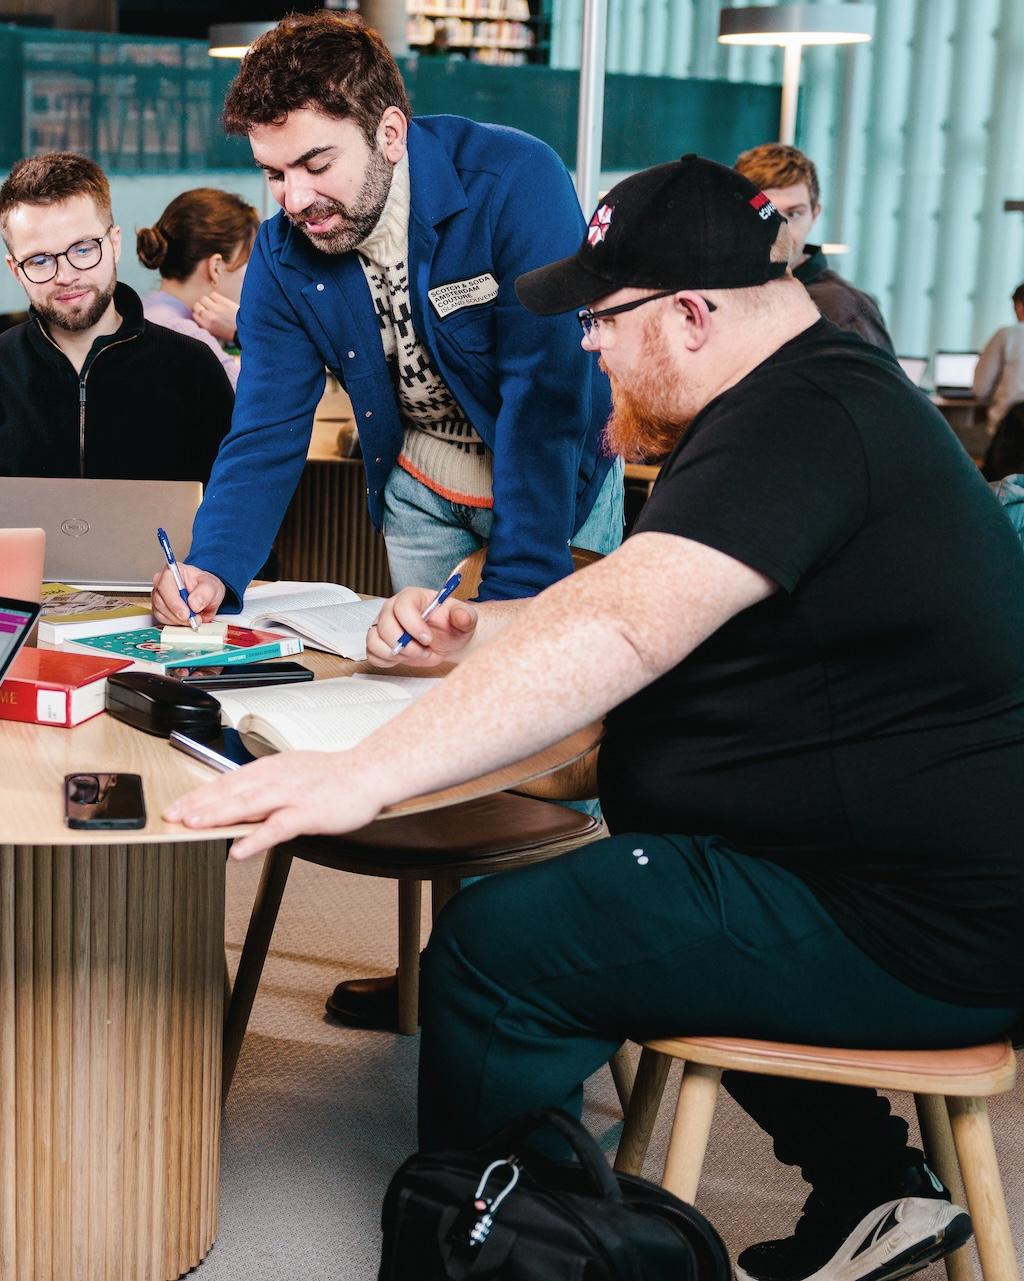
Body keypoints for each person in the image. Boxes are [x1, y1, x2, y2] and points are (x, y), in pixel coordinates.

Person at [166, 154, 1024, 1281]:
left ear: (694, 313)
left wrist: (359, 774)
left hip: (913, 927)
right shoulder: (802, 396)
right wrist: (491, 629)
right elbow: (650, 597)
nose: (589, 344)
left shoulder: (802, 422)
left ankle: (518, 1247)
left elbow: (620, 630)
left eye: (608, 320)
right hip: (870, 875)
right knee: (647, 891)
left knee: (498, 950)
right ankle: (872, 1188)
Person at [149, 12, 620, 628]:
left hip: (555, 482)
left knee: (558, 676)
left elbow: (547, 398)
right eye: (274, 174)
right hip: (419, 489)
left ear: (390, 134)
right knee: (426, 678)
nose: (294, 200)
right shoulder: (279, 253)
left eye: (317, 166)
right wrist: (213, 566)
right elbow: (266, 427)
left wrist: (516, 595)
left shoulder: (514, 180)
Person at [0, 152, 235, 528]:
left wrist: (210, 582)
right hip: (15, 588)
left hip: (162, 587)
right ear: (14, 270)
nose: (65, 275)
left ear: (114, 243)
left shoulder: (192, 366)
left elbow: (236, 514)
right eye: (39, 260)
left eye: (83, 249)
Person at [734, 142, 894, 353]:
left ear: (814, 215)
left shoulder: (844, 312)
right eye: (766, 213)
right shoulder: (723, 296)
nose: (781, 229)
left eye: (794, 214)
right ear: (735, 214)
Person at [136, 187, 260, 387]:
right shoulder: (188, 337)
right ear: (216, 267)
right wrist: (244, 331)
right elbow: (266, 406)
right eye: (248, 263)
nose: (255, 276)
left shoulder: (140, 310)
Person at [972, 281, 1024, 449]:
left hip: (1008, 438)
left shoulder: (1006, 336)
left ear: (1019, 306)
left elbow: (980, 390)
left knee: (956, 434)